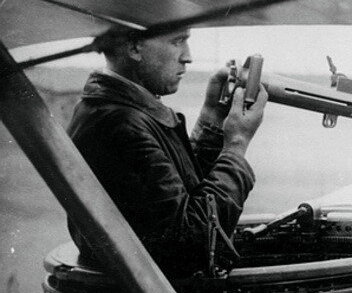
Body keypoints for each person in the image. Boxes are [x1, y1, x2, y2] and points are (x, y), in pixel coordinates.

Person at [67, 28, 267, 277]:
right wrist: (236, 144)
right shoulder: (122, 124)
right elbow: (189, 245)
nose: (188, 57)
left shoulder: (113, 110)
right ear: (134, 47)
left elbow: (177, 198)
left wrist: (212, 121)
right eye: (177, 41)